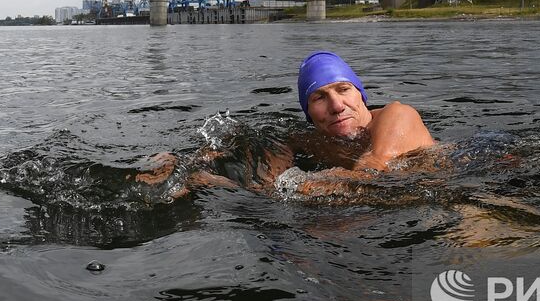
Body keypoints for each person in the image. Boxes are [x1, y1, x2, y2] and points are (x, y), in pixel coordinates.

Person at [135, 51, 434, 197]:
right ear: (309, 112)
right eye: (320, 97)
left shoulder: (398, 116)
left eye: (343, 90)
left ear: (361, 95)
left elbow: (372, 175)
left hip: (452, 192)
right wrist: (186, 169)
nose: (336, 106)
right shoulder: (312, 139)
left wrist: (293, 186)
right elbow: (262, 180)